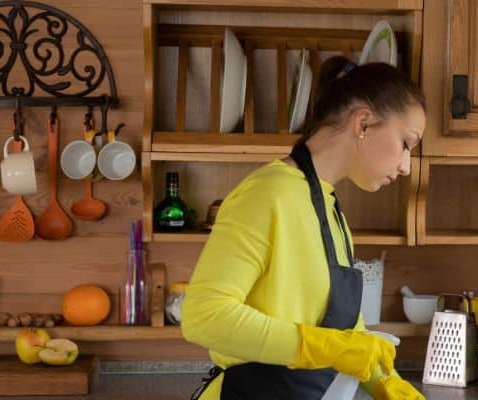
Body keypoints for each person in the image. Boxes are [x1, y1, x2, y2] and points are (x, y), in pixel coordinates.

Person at [181, 55, 427, 400]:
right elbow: (203, 316)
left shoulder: (332, 213)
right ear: (364, 123)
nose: (406, 167)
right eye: (407, 143)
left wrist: (386, 381)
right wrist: (322, 347)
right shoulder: (268, 194)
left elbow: (342, 333)